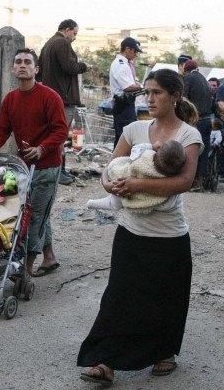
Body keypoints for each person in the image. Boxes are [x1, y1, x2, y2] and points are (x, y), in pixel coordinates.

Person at [78, 69, 202, 386]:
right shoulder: (133, 129)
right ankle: (105, 360)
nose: (149, 98)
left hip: (169, 234)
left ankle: (163, 352)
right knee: (119, 295)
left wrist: (135, 182)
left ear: (175, 96)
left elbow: (183, 182)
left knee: (166, 297)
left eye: (157, 92)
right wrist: (111, 185)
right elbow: (110, 169)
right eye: (147, 92)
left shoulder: (188, 136)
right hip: (131, 230)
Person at [0, 48, 68, 277]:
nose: (22, 65)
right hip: (19, 167)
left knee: (35, 214)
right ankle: (49, 257)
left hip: (47, 166)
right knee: (20, 211)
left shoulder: (50, 96)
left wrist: (41, 148)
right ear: (12, 68)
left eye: (28, 62)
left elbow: (61, 130)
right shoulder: (11, 99)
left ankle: (24, 269)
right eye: (18, 61)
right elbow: (1, 130)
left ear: (36, 69)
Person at [38, 19, 88, 185]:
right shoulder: (62, 43)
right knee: (60, 136)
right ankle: (59, 172)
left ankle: (55, 171)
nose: (74, 38)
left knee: (53, 135)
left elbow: (39, 74)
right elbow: (70, 67)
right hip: (63, 99)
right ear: (67, 30)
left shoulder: (48, 44)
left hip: (51, 97)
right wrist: (83, 66)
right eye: (74, 33)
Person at [86, 140, 186, 212]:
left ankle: (95, 203)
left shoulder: (146, 155)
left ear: (158, 150)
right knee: (166, 201)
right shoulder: (167, 177)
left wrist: (151, 146)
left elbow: (135, 151)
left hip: (125, 183)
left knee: (119, 174)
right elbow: (169, 202)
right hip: (146, 201)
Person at [181, 59, 213, 190]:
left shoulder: (188, 78)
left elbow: (183, 99)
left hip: (195, 121)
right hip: (207, 120)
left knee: (191, 151)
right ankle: (200, 181)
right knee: (203, 151)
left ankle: (191, 181)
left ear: (186, 70)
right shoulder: (204, 79)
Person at [110, 37, 143, 146]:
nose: (136, 55)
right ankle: (118, 161)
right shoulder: (121, 65)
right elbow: (127, 87)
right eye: (135, 51)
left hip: (125, 103)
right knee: (125, 137)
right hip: (123, 104)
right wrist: (142, 86)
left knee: (124, 136)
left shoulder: (125, 64)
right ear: (127, 49)